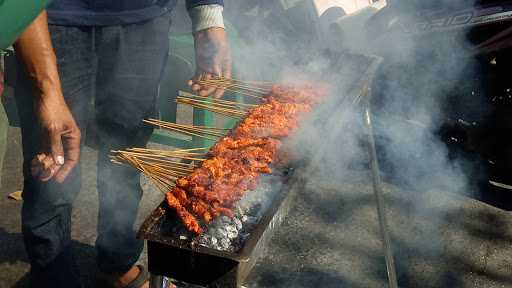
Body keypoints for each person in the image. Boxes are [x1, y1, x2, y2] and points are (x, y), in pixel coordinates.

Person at [15, 1, 231, 287]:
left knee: (127, 157)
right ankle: (53, 276)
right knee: (51, 165)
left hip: (145, 18)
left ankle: (117, 264)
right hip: (48, 17)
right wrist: (46, 90)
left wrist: (208, 16)